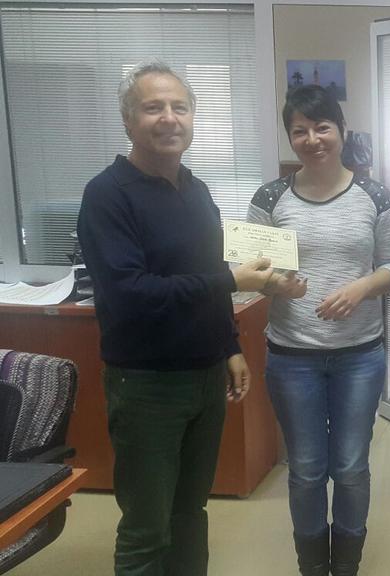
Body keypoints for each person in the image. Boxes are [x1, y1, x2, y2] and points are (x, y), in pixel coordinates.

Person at [77, 59, 273, 576]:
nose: (169, 118)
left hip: (205, 377)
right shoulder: (107, 195)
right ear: (128, 120)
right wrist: (230, 281)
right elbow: (130, 294)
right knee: (146, 529)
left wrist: (229, 345)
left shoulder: (196, 189)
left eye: (179, 107)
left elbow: (207, 272)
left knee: (190, 513)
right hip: (146, 385)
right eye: (153, 107)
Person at [247, 85, 390, 576]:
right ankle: (313, 567)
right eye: (300, 131)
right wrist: (276, 284)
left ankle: (347, 565)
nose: (312, 139)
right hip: (292, 356)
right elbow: (251, 273)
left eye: (322, 127)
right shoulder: (270, 198)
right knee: (307, 469)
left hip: (360, 355)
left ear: (341, 130)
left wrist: (362, 287)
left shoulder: (374, 195)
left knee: (352, 468)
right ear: (289, 137)